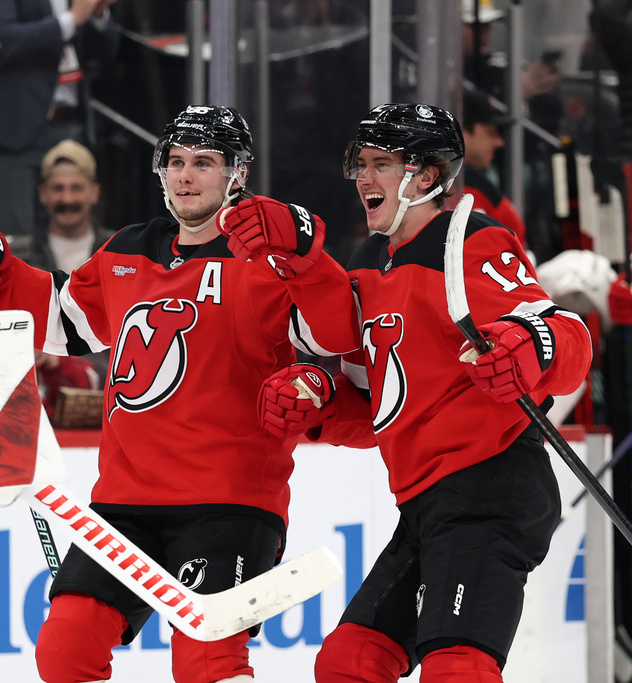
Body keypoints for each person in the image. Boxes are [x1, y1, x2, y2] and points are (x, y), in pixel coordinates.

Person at [0, 104, 359, 683]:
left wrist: (306, 256)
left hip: (229, 503)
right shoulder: (128, 249)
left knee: (206, 662)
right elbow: (64, 321)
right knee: (65, 651)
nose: (185, 176)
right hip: (124, 503)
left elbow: (338, 334)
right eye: (176, 162)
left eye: (204, 163)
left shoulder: (269, 261)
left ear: (237, 174)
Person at [253, 103, 591, 682]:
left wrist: (528, 348)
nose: (364, 177)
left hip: (491, 486)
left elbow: (566, 334)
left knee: (456, 668)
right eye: (361, 164)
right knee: (348, 663)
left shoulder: (470, 240)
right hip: (424, 505)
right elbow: (379, 406)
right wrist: (320, 402)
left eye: (381, 164)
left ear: (427, 176)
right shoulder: (366, 264)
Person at [0, 0, 120, 237]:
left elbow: (105, 55)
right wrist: (71, 20)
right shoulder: (72, 14)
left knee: (72, 234)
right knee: (15, 240)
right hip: (12, 134)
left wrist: (97, 14)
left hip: (71, 127)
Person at [10, 138, 114, 272]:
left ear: (95, 193)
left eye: (76, 188)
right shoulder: (16, 258)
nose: (67, 199)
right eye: (58, 188)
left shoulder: (119, 252)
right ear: (43, 193)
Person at [462, 86, 528, 248]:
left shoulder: (475, 181)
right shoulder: (460, 185)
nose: (500, 142)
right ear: (462, 130)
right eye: (490, 132)